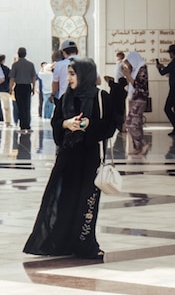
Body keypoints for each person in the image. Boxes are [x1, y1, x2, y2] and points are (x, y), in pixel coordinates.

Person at [23, 57, 114, 259]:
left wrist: (89, 124)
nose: (69, 78)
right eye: (69, 74)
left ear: (85, 75)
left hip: (89, 159)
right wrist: (66, 124)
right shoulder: (66, 98)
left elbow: (110, 126)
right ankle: (61, 242)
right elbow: (56, 123)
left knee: (86, 202)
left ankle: (85, 244)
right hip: (67, 158)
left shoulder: (101, 98)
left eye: (73, 74)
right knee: (63, 200)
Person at [122, 51, 150, 157]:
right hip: (135, 98)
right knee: (137, 124)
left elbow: (139, 85)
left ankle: (144, 144)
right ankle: (138, 148)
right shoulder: (137, 69)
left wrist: (128, 75)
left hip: (139, 99)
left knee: (130, 124)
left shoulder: (142, 69)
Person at [10, 47, 37, 132]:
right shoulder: (30, 64)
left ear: (18, 54)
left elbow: (12, 78)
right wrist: (33, 87)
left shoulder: (15, 65)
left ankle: (22, 125)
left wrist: (10, 88)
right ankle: (27, 125)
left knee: (20, 106)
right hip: (27, 87)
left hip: (19, 87)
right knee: (27, 106)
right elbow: (33, 77)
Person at [107, 49, 128, 134]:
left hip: (120, 84)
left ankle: (120, 125)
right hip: (117, 84)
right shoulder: (118, 64)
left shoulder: (122, 64)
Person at [51, 40, 77, 105]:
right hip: (84, 100)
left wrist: (52, 94)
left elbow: (55, 85)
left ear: (63, 52)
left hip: (64, 99)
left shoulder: (59, 65)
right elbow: (98, 81)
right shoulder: (87, 63)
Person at [0, 54, 13, 124]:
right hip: (5, 90)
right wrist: (10, 89)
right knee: (7, 108)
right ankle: (8, 121)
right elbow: (10, 79)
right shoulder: (6, 69)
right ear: (3, 60)